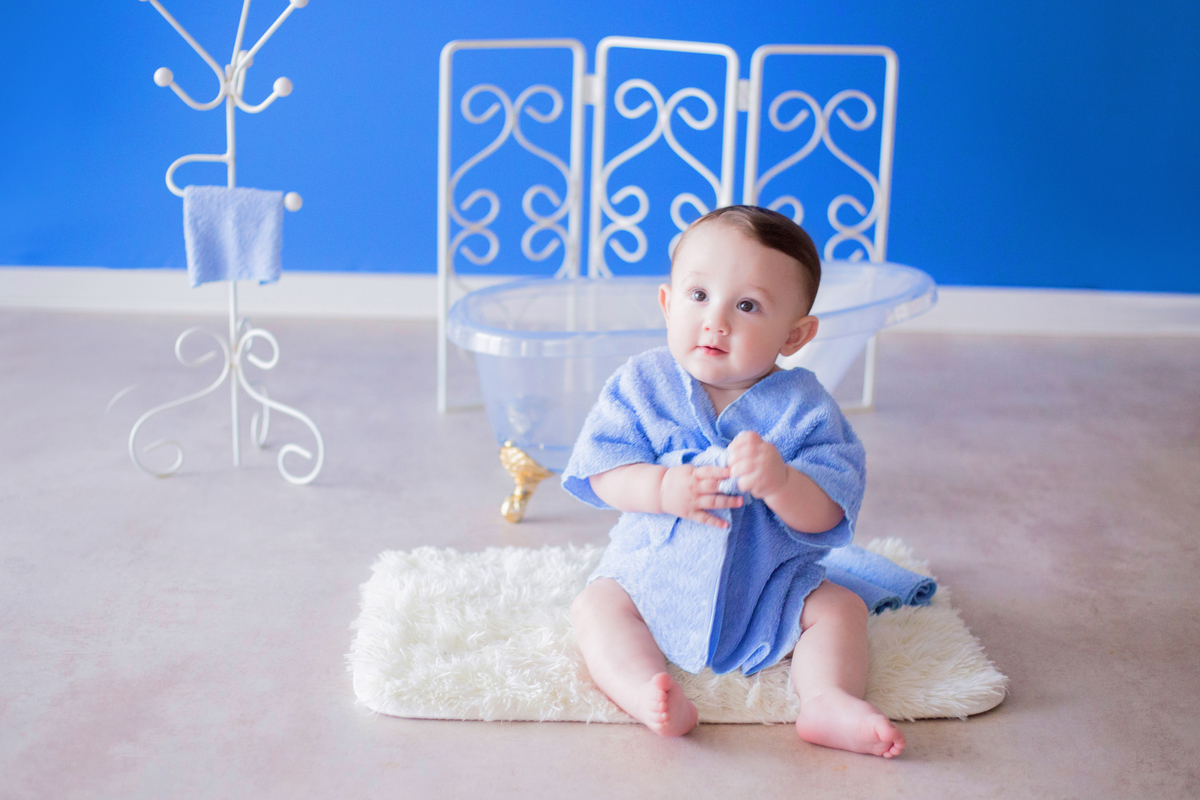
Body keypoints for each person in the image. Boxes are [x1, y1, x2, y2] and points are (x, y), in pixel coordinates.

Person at [563, 206, 905, 757]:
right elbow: (602, 469)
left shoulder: (804, 408)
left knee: (840, 609)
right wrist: (660, 488)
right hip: (650, 576)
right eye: (699, 295)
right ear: (668, 303)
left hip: (769, 585)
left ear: (795, 334)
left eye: (747, 305)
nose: (716, 320)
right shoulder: (642, 384)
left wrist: (782, 483)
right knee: (595, 606)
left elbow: (830, 510)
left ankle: (826, 700)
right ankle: (642, 689)